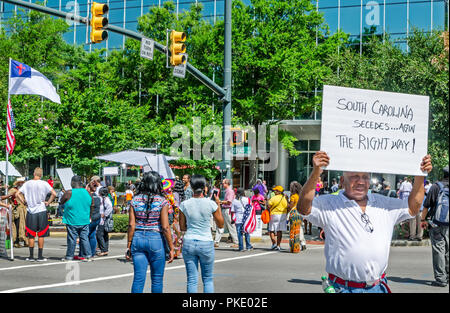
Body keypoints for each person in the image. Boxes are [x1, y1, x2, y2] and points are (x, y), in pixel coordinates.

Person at [298, 151, 432, 293]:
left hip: (377, 287)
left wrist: (420, 174)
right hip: (343, 288)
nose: (361, 181)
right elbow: (303, 208)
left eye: (365, 177)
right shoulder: (329, 203)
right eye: (355, 176)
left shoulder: (383, 203)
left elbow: (414, 208)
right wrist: (316, 172)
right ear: (342, 181)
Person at [126, 171, 174, 293]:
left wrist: (129, 244)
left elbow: (131, 225)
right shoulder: (162, 201)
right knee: (157, 279)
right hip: (156, 239)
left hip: (137, 238)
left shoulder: (134, 200)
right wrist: (171, 247)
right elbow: (165, 227)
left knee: (138, 278)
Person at [179, 174, 224, 293]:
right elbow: (220, 224)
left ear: (191, 187)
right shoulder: (211, 204)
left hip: (189, 241)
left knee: (192, 280)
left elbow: (182, 227)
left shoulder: (184, 204)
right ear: (205, 188)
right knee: (208, 279)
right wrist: (218, 204)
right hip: (206, 241)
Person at [15, 167, 56, 262]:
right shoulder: (44, 183)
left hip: (31, 211)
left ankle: (31, 256)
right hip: (41, 210)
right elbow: (53, 193)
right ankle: (40, 256)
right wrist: (48, 202)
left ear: (34, 173)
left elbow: (17, 194)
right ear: (41, 175)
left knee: (31, 235)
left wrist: (24, 201)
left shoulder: (27, 183)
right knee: (41, 234)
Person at [420, 166, 449, 287]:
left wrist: (423, 219)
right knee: (448, 250)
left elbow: (426, 205)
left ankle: (441, 279)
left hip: (436, 223)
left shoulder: (436, 186)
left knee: (439, 250)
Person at [60, 175, 93, 261]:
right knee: (84, 238)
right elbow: (92, 205)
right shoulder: (87, 193)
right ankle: (88, 255)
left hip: (72, 220)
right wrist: (90, 216)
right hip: (84, 220)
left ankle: (69, 256)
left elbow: (61, 201)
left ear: (73, 183)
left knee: (72, 239)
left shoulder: (69, 193)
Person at [2, 177, 28, 248]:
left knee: (23, 226)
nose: (23, 184)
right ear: (19, 183)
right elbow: (6, 198)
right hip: (16, 211)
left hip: (23, 210)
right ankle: (15, 241)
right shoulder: (13, 190)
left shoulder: (22, 190)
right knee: (16, 226)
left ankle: (25, 240)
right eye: (22, 182)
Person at [214, 179, 238, 248]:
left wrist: (220, 202)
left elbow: (229, 201)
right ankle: (216, 242)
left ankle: (236, 242)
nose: (222, 184)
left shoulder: (230, 191)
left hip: (227, 210)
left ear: (227, 184)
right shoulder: (227, 191)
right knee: (220, 225)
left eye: (223, 183)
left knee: (231, 226)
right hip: (225, 209)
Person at [268, 185, 288, 251]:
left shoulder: (273, 198)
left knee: (271, 229)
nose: (274, 191)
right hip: (282, 215)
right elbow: (287, 206)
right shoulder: (284, 198)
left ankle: (274, 243)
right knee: (279, 231)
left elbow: (269, 205)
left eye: (275, 190)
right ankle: (278, 245)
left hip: (274, 214)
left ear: (279, 191)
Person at [288, 181, 306, 252]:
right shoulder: (301, 195)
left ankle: (294, 246)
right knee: (300, 228)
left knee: (293, 230)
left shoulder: (293, 196)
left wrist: (286, 200)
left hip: (294, 213)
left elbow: (290, 206)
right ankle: (303, 242)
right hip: (300, 213)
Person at [96, 187, 113, 256]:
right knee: (105, 235)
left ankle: (103, 250)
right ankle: (105, 250)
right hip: (103, 220)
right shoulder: (105, 199)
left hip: (103, 220)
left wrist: (104, 214)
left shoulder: (105, 199)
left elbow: (110, 207)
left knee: (99, 235)